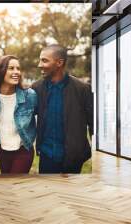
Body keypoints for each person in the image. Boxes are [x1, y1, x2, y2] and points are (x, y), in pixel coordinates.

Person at [31, 44, 93, 174]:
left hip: (73, 157)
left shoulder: (82, 89)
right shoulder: (36, 88)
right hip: (46, 156)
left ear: (59, 63)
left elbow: (93, 125)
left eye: (44, 60)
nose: (39, 65)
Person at [0, 55, 37, 174]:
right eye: (11, 68)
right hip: (2, 150)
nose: (16, 72)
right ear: (1, 71)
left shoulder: (29, 95)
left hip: (23, 150)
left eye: (18, 68)